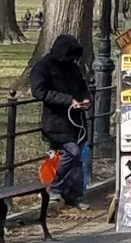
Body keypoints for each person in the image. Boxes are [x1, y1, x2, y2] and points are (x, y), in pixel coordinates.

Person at [30, 33, 92, 209]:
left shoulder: (72, 68)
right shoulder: (43, 66)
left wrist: (85, 100)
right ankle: (55, 187)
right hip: (56, 122)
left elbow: (82, 87)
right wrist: (67, 100)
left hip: (76, 122)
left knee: (78, 158)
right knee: (71, 152)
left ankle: (75, 195)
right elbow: (39, 91)